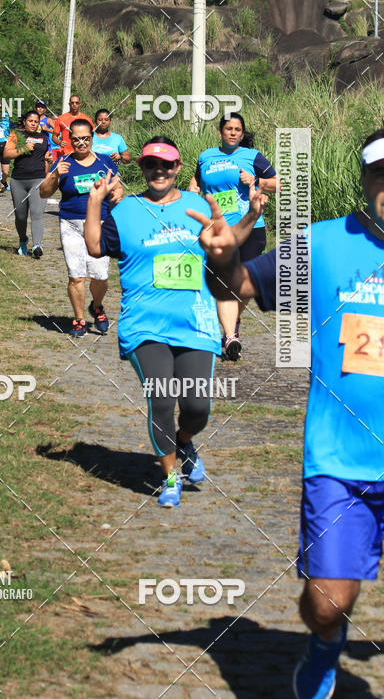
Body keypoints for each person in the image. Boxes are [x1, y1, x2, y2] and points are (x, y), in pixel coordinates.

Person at [188, 129, 384, 699]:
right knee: (328, 605)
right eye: (382, 174)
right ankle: (324, 648)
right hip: (341, 461)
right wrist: (221, 258)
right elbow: (241, 285)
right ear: (367, 180)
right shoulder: (320, 245)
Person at [84, 136, 266, 507]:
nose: (159, 171)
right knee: (162, 398)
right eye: (151, 164)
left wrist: (250, 216)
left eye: (167, 165)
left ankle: (184, 442)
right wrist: (95, 201)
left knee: (197, 406)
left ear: (178, 169)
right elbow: (94, 247)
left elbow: (226, 244)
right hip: (144, 324)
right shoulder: (125, 212)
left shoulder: (196, 205)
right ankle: (169, 477)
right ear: (143, 169)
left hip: (194, 321)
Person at [188, 112, 278, 361]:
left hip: (250, 227)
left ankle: (232, 320)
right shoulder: (206, 156)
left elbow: (277, 182)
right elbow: (196, 179)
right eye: (229, 129)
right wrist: (192, 189)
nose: (233, 133)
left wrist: (256, 180)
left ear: (242, 133)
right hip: (217, 230)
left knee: (246, 284)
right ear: (220, 131)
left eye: (238, 129)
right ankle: (229, 336)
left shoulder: (252, 156)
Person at [40, 118, 120, 336]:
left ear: (92, 138)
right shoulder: (63, 162)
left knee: (100, 275)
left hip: (101, 224)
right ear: (70, 140)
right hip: (70, 223)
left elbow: (117, 188)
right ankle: (79, 320)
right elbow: (44, 193)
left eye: (85, 138)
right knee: (76, 275)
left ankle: (97, 306)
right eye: (76, 139)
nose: (81, 143)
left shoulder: (104, 162)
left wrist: (117, 194)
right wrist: (55, 175)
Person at [3, 110, 51, 257]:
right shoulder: (16, 135)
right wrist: (23, 149)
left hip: (38, 179)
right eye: (30, 121)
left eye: (36, 122)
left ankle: (37, 245)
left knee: (37, 213)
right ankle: (23, 239)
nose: (33, 124)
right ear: (24, 121)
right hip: (18, 180)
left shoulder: (44, 137)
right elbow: (6, 154)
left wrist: (48, 164)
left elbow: (46, 157)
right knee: (21, 216)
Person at [51, 95, 94, 161]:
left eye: (77, 103)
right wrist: (59, 142)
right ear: (69, 104)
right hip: (66, 154)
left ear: (80, 104)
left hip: (82, 154)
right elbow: (54, 136)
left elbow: (93, 136)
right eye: (72, 103)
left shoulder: (87, 119)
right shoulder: (61, 118)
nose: (74, 105)